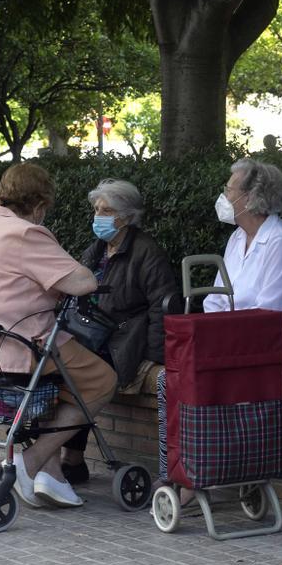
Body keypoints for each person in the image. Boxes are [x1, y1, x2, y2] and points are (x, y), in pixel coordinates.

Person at [0, 163, 117, 508]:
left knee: (50, 389)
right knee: (101, 379)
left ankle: (51, 474)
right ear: (39, 205)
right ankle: (30, 462)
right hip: (13, 346)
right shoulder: (26, 233)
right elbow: (82, 282)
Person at [155, 157, 282, 491]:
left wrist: (215, 348)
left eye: (229, 190)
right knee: (168, 377)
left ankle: (192, 479)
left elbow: (270, 315)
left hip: (280, 347)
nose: (224, 197)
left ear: (250, 197)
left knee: (190, 378)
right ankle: (180, 471)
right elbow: (215, 300)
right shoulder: (237, 239)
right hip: (235, 342)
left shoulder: (281, 242)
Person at [57, 179, 177, 484]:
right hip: (87, 332)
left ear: (125, 216)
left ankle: (70, 457)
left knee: (80, 380)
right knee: (54, 371)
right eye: (96, 209)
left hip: (122, 340)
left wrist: (152, 355)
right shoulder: (96, 249)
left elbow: (161, 307)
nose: (99, 216)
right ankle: (63, 456)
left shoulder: (147, 252)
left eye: (106, 210)